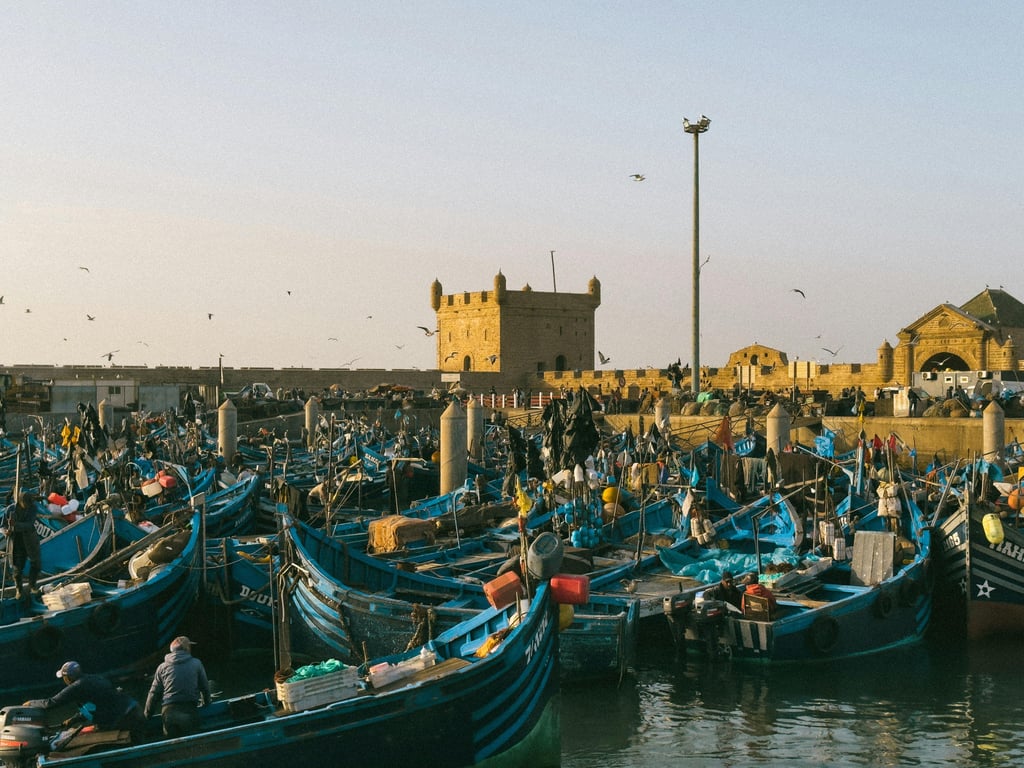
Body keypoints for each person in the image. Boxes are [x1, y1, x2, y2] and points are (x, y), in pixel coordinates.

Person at [32, 661, 145, 742]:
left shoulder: (76, 686)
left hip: (124, 718)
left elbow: (52, 702)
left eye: (64, 677)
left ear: (68, 678)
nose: (64, 680)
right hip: (134, 709)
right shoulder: (94, 679)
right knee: (137, 741)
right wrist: (74, 719)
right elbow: (94, 706)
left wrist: (31, 703)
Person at [144, 636, 211, 737]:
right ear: (187, 649)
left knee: (172, 742)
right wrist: (206, 703)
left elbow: (153, 694)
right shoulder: (196, 663)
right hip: (189, 710)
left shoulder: (162, 667)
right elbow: (205, 687)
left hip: (169, 713)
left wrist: (147, 716)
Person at [4, 491, 42, 602]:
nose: (27, 506)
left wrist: (15, 525)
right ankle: (19, 590)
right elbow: (2, 526)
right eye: (25, 504)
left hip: (30, 539)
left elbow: (29, 524)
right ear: (20, 502)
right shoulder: (11, 509)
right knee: (17, 567)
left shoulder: (32, 508)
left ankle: (32, 586)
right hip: (16, 541)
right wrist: (6, 531)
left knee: (36, 563)